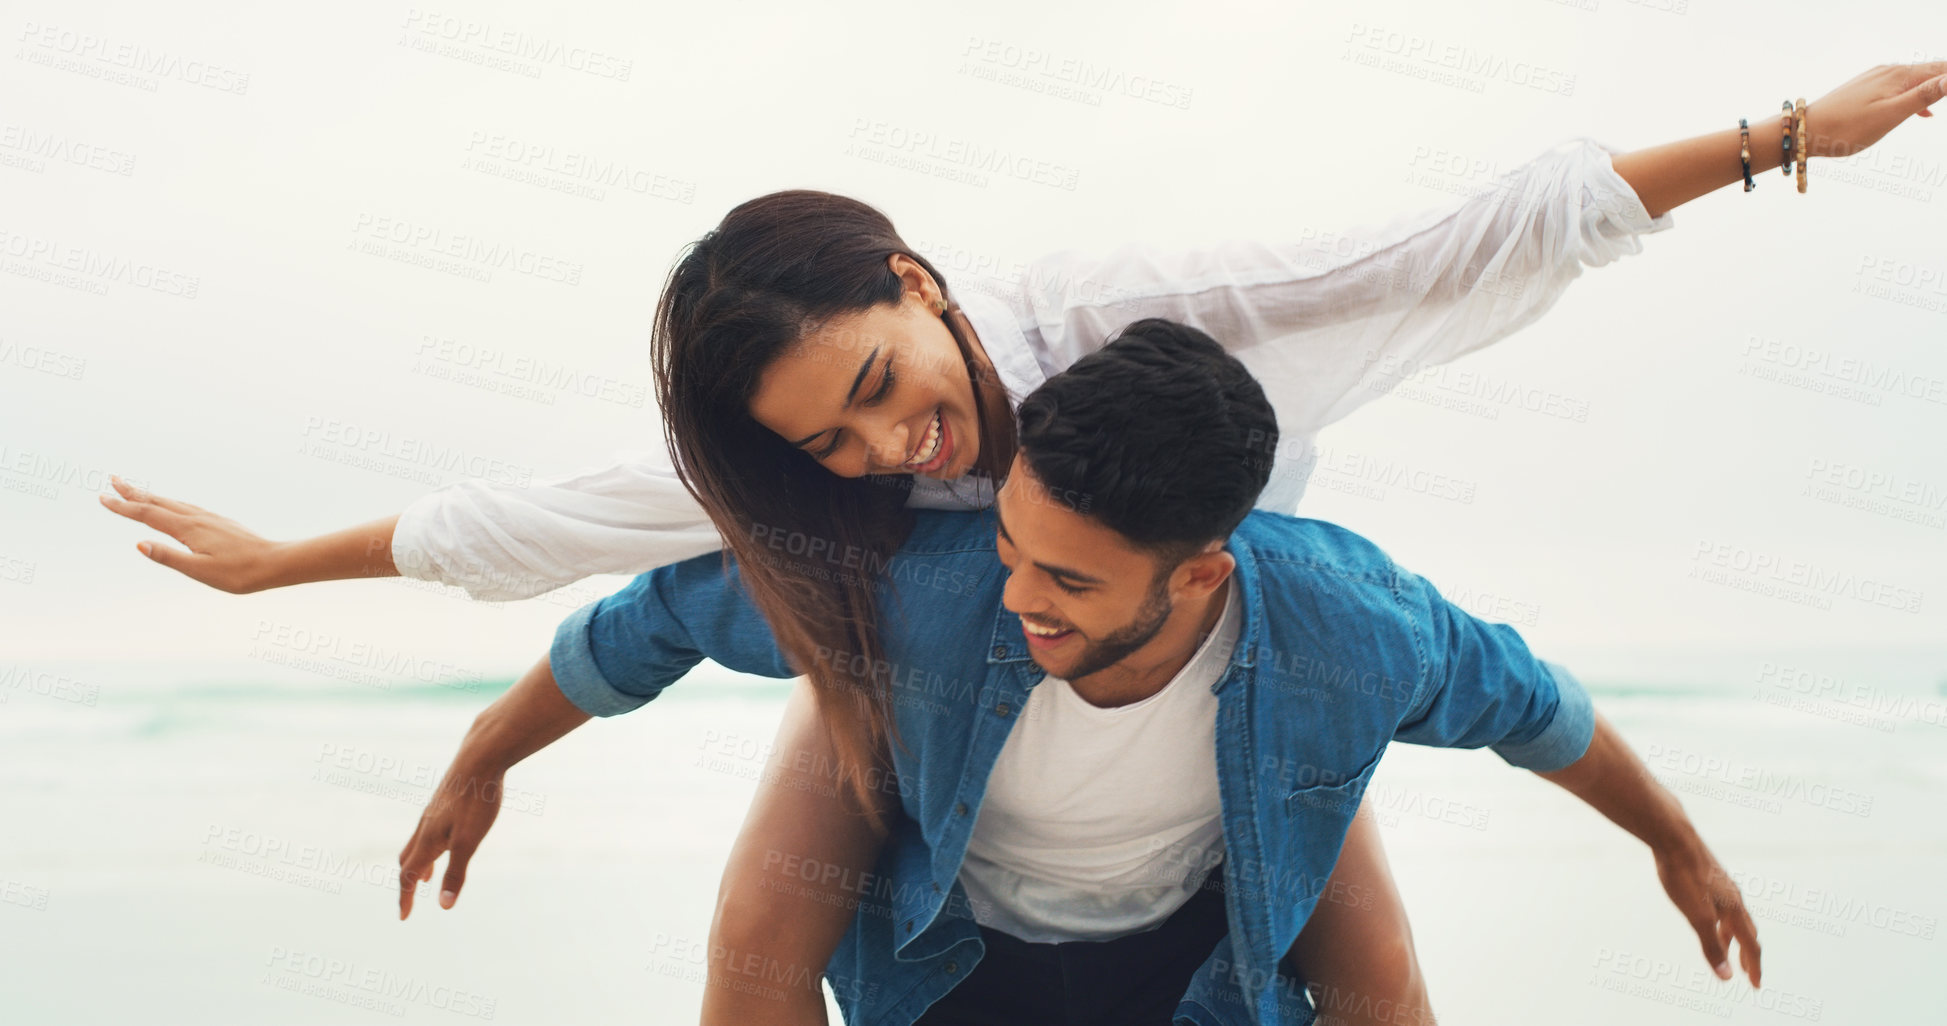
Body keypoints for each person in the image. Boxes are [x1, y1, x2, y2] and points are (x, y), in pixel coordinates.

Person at [106, 61, 1937, 1024]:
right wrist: (289, 572)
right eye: (834, 442)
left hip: (1237, 679)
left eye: (889, 388)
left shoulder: (1173, 349)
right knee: (783, 872)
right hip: (928, 690)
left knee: (1366, 957)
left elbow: (1467, 246)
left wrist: (1787, 137)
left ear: (920, 279)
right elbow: (584, 550)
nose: (896, 444)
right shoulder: (881, 540)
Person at [440, 320, 1760, 1025]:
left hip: (1195, 937)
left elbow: (1541, 711)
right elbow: (648, 622)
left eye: (1069, 582)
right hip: (954, 944)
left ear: (1200, 573)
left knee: (1382, 988)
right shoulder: (929, 589)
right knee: (758, 925)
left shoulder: (1357, 623)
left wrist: (1680, 849)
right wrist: (482, 760)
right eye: (1013, 546)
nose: (1020, 596)